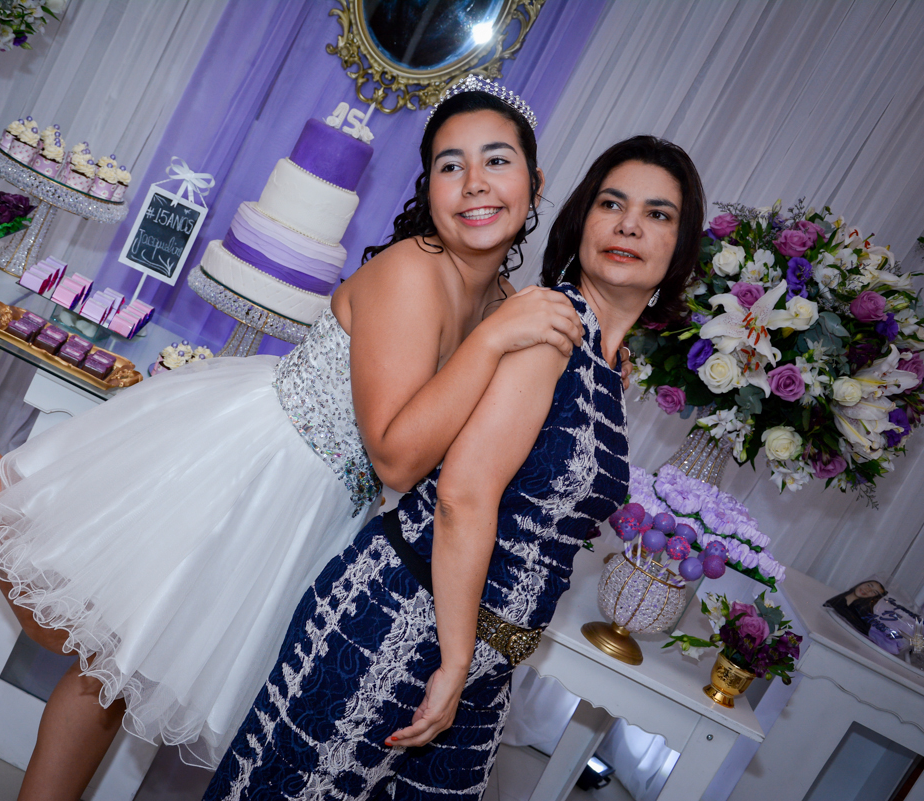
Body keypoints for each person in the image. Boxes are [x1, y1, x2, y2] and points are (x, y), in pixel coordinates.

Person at [0, 78, 589, 801]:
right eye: (449, 165)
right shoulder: (414, 272)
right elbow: (397, 453)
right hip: (258, 465)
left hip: (320, 510)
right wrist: (494, 340)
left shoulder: (497, 300)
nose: (473, 183)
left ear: (534, 178)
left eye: (496, 160)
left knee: (110, 673)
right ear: (427, 186)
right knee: (61, 632)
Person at [205, 134, 706, 800]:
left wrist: (477, 662)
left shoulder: (611, 365)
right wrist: (458, 656)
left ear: (679, 248)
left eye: (658, 213)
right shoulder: (552, 331)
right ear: (582, 218)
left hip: (479, 658)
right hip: (400, 627)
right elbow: (464, 495)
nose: (630, 224)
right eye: (611, 203)